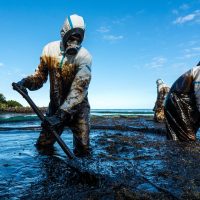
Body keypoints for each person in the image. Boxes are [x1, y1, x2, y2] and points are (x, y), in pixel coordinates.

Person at [16, 14, 92, 156]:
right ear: (64, 33)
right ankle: (50, 173)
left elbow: (79, 88)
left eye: (78, 39)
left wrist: (61, 115)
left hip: (78, 109)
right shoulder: (49, 50)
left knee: (83, 151)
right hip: (55, 107)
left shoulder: (85, 56)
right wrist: (25, 82)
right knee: (43, 146)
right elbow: (40, 77)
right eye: (71, 38)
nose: (74, 42)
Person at [164, 61, 200, 141]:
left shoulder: (195, 70)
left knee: (185, 132)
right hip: (177, 101)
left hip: (182, 101)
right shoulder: (198, 70)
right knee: (186, 136)